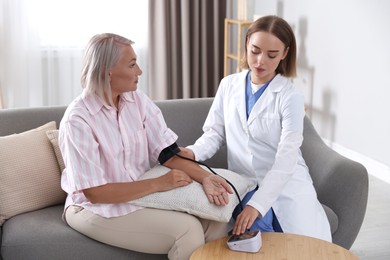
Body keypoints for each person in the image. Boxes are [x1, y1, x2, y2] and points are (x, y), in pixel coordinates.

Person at [58, 33, 233, 260]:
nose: (139, 71)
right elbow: (95, 192)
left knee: (216, 221)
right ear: (106, 71)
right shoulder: (78, 120)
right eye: (132, 65)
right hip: (94, 208)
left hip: (141, 195)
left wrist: (205, 177)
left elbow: (168, 153)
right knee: (187, 231)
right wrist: (159, 183)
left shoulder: (137, 100)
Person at [185, 15, 332, 242]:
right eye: (255, 51)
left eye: (272, 55)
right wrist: (192, 153)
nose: (260, 61)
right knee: (253, 240)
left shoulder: (289, 96)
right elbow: (214, 134)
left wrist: (258, 205)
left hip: (285, 186)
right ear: (246, 44)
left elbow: (286, 158)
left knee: (297, 246)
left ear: (284, 54)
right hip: (245, 182)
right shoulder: (228, 85)